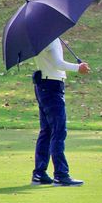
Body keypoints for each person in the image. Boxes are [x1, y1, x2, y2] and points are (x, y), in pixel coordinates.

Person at [31, 38, 90, 186]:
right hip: (52, 86)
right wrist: (78, 67)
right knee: (58, 131)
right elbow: (58, 64)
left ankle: (39, 173)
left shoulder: (40, 39)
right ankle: (61, 175)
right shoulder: (50, 39)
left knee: (46, 131)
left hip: (43, 85)